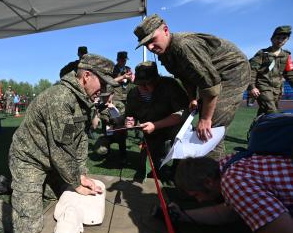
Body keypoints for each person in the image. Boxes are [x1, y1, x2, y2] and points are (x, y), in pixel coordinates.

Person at [0, 54, 118, 233]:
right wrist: (76, 181)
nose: (105, 89)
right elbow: (61, 150)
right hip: (29, 161)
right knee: (29, 227)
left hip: (49, 159)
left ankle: (8, 183)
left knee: (59, 194)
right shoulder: (60, 99)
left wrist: (81, 172)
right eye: (103, 83)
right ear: (87, 76)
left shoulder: (83, 100)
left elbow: (80, 139)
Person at [134, 14, 250, 160]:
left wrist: (206, 119)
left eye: (152, 40)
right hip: (211, 76)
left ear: (166, 30)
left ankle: (210, 175)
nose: (150, 47)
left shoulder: (184, 46)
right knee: (205, 126)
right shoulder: (165, 53)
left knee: (210, 129)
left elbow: (211, 84)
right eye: (145, 44)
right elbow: (185, 77)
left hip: (231, 71)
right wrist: (192, 98)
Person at [173, 155, 293, 233]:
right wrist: (184, 215)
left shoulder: (235, 184)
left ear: (208, 182)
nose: (200, 201)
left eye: (196, 195)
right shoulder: (229, 163)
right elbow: (228, 212)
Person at [125, 61, 188, 177]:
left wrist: (155, 125)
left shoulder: (170, 86)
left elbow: (182, 114)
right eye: (140, 83)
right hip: (151, 134)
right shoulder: (133, 94)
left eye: (148, 83)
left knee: (182, 134)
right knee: (146, 168)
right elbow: (130, 114)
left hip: (170, 128)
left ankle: (178, 167)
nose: (143, 87)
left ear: (157, 79)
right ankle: (162, 153)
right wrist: (130, 121)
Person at [248, 25, 293, 116]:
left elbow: (289, 74)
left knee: (264, 114)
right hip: (262, 87)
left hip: (277, 90)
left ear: (287, 39)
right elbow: (252, 71)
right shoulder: (262, 54)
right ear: (272, 39)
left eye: (284, 38)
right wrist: (252, 87)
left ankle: (256, 129)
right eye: (278, 38)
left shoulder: (286, 55)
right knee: (272, 112)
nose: (280, 40)